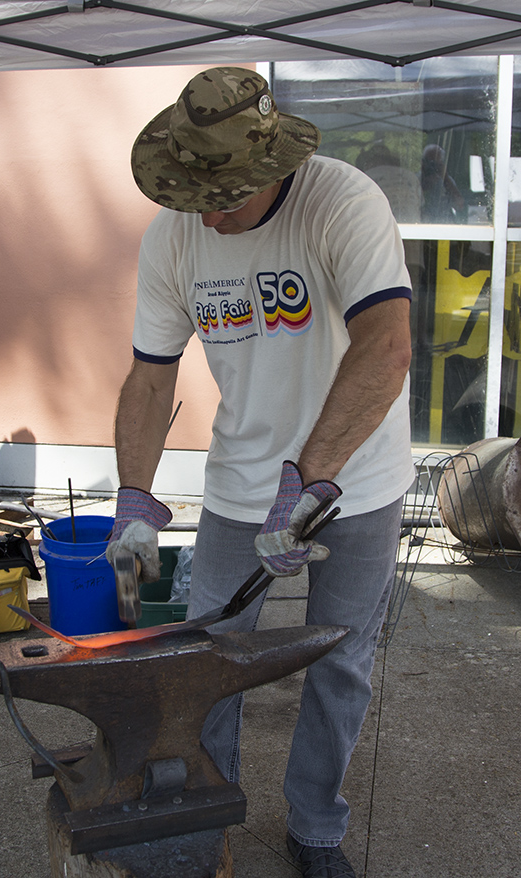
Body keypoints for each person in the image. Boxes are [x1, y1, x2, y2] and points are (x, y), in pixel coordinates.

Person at [106, 68, 414, 878]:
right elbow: (149, 377)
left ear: (273, 164)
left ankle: (315, 829)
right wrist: (133, 499)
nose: (210, 213)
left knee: (339, 661)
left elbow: (386, 347)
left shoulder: (341, 204)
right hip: (239, 485)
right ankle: (210, 819)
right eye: (195, 192)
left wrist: (310, 480)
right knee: (202, 662)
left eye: (227, 194)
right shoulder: (174, 236)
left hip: (357, 479)